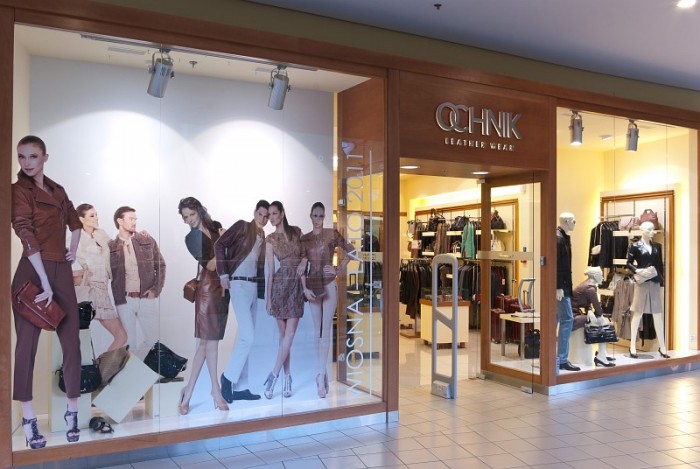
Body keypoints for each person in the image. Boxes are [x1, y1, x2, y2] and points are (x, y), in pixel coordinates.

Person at [11, 135, 83, 448]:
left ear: (45, 158)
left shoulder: (57, 189)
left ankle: (72, 411)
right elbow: (25, 233)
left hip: (60, 271)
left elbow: (75, 221)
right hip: (32, 271)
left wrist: (73, 250)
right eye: (21, 156)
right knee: (26, 346)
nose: (27, 163)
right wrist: (44, 283)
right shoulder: (18, 190)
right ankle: (28, 418)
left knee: (72, 342)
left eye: (33, 156)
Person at [177, 197, 230, 414]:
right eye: (185, 217)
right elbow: (210, 265)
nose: (189, 220)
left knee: (204, 345)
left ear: (199, 211)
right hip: (207, 291)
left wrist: (226, 240)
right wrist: (224, 242)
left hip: (223, 289)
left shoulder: (215, 226)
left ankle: (188, 393)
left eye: (191, 214)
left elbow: (231, 252)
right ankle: (216, 391)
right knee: (211, 343)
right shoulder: (191, 238)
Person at [215, 199, 270, 403]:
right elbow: (219, 244)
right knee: (248, 336)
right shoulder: (242, 226)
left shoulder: (263, 236)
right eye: (260, 214)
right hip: (238, 283)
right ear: (254, 212)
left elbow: (260, 265)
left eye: (266, 216)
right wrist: (223, 274)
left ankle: (242, 386)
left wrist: (262, 294)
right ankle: (228, 378)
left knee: (244, 338)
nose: (262, 219)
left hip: (253, 287)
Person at [300, 202, 356, 397]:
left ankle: (321, 374)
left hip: (330, 283)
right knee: (317, 330)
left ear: (325, 217)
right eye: (315, 215)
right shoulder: (305, 239)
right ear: (310, 216)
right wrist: (304, 288)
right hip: (313, 285)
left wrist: (338, 269)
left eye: (321, 216)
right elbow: (301, 266)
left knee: (326, 330)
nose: (318, 219)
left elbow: (352, 251)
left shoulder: (332, 234)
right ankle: (320, 372)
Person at [109, 206, 166, 360]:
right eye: (131, 218)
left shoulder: (146, 240)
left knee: (154, 340)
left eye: (135, 219)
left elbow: (160, 265)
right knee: (129, 343)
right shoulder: (111, 247)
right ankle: (133, 370)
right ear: (120, 221)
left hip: (146, 297)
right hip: (124, 300)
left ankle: (139, 363)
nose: (135, 222)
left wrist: (155, 290)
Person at [262, 201, 305, 399]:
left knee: (290, 335)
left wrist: (304, 261)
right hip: (279, 287)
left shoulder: (297, 232)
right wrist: (268, 300)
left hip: (296, 285)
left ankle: (273, 375)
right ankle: (287, 378)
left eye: (274, 213)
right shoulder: (270, 239)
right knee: (283, 338)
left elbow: (306, 254)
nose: (271, 218)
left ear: (282, 213)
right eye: (269, 214)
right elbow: (270, 271)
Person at [73, 203, 128, 352]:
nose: (96, 218)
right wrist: (80, 274)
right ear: (81, 219)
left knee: (121, 336)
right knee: (80, 339)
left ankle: (101, 366)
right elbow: (66, 264)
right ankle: (86, 365)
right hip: (88, 291)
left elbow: (116, 250)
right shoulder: (75, 238)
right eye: (92, 215)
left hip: (102, 291)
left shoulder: (101, 234)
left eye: (96, 214)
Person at [626, 221, 669, 359]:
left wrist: (661, 281)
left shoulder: (657, 247)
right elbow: (628, 263)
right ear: (643, 230)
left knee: (657, 314)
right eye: (650, 230)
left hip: (654, 282)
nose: (653, 232)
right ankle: (632, 346)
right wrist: (637, 271)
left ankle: (662, 346)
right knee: (638, 313)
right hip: (642, 282)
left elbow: (660, 265)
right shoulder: (635, 246)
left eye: (653, 229)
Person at [571, 266, 615, 367]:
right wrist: (594, 313)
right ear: (595, 276)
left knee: (601, 320)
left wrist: (590, 311)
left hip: (575, 314)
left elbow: (587, 303)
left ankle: (602, 353)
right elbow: (598, 309)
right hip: (573, 317)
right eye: (601, 275)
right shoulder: (590, 289)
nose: (603, 278)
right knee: (602, 321)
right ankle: (601, 356)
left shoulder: (586, 285)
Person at [556, 212, 580, 372]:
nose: (575, 224)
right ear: (566, 221)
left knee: (556, 319)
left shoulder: (563, 238)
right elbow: (556, 264)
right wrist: (558, 287)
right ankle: (562, 359)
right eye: (573, 221)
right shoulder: (558, 239)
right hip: (561, 287)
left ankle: (551, 356)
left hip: (563, 286)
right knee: (567, 320)